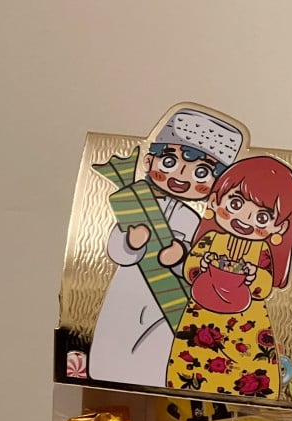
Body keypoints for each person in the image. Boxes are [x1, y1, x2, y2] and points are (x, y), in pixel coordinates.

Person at [89, 107, 244, 386]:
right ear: (149, 161)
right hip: (128, 290)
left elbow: (196, 267)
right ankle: (107, 375)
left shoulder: (193, 221)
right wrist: (130, 243)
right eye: (170, 162)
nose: (182, 176)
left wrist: (180, 258)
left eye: (201, 172)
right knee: (117, 339)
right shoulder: (134, 202)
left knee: (160, 349)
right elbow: (115, 250)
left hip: (167, 301)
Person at [166, 155, 292, 398]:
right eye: (236, 204)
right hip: (203, 316)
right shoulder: (211, 239)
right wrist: (201, 264)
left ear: (280, 227)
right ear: (215, 201)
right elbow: (190, 270)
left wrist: (253, 276)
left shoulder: (262, 250)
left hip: (245, 324)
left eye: (261, 217)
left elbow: (264, 286)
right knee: (194, 360)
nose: (244, 219)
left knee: (247, 363)